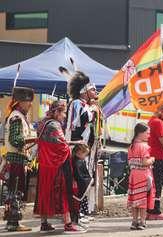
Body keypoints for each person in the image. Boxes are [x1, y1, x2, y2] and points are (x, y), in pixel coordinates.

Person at [34, 101, 85, 233]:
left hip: (45, 165)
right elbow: (62, 147)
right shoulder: (55, 125)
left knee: (44, 192)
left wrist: (72, 142)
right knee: (63, 192)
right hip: (57, 166)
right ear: (56, 112)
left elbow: (54, 143)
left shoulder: (42, 123)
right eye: (63, 113)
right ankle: (68, 224)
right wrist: (73, 146)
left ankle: (44, 223)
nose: (64, 116)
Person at [65, 71, 98, 218]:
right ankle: (77, 213)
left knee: (84, 179)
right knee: (79, 179)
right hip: (75, 148)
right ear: (84, 91)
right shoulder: (77, 103)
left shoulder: (83, 104)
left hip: (82, 148)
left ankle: (83, 211)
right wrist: (92, 109)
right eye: (92, 89)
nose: (95, 92)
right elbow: (83, 119)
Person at [3, 86, 36, 232]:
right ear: (20, 102)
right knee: (14, 192)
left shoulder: (18, 116)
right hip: (16, 161)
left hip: (17, 160)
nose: (30, 104)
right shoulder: (16, 118)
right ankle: (13, 223)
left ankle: (13, 222)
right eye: (28, 101)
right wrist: (32, 139)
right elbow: (16, 140)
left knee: (14, 192)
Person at [127, 123, 155, 230]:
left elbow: (130, 161)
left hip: (133, 175)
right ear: (140, 133)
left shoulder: (131, 146)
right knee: (143, 199)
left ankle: (134, 221)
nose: (148, 135)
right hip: (143, 175)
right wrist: (152, 159)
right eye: (147, 133)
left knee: (135, 200)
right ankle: (142, 222)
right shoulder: (144, 147)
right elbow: (144, 162)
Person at [72, 144, 94, 226]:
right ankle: (79, 216)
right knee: (78, 201)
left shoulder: (78, 161)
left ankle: (82, 214)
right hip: (77, 185)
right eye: (85, 155)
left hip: (79, 184)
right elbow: (79, 175)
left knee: (83, 199)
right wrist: (89, 181)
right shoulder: (77, 162)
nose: (85, 157)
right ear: (79, 153)